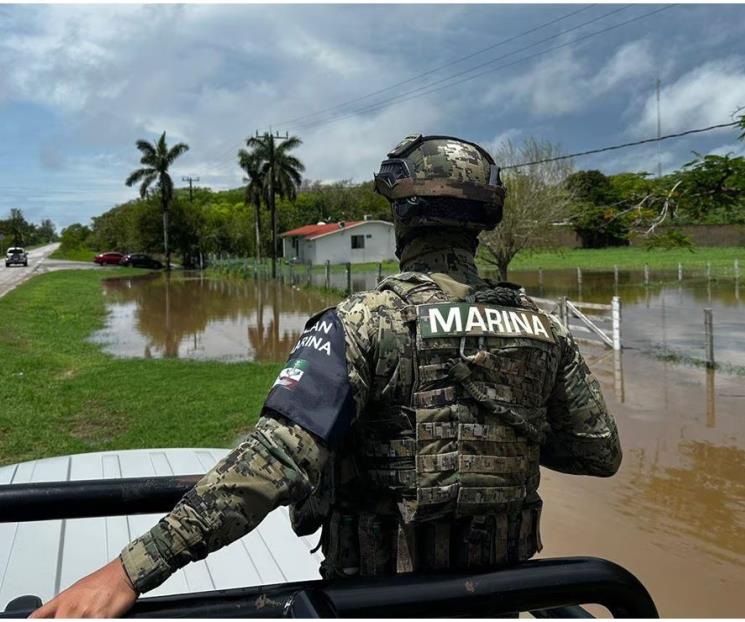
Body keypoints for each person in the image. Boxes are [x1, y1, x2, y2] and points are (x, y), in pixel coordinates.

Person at [32, 134, 621, 618]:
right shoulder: (544, 328)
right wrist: (494, 432)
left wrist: (128, 570)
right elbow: (598, 452)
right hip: (500, 598)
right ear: (484, 218)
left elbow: (270, 465)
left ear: (400, 214)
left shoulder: (362, 322)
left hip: (378, 599)